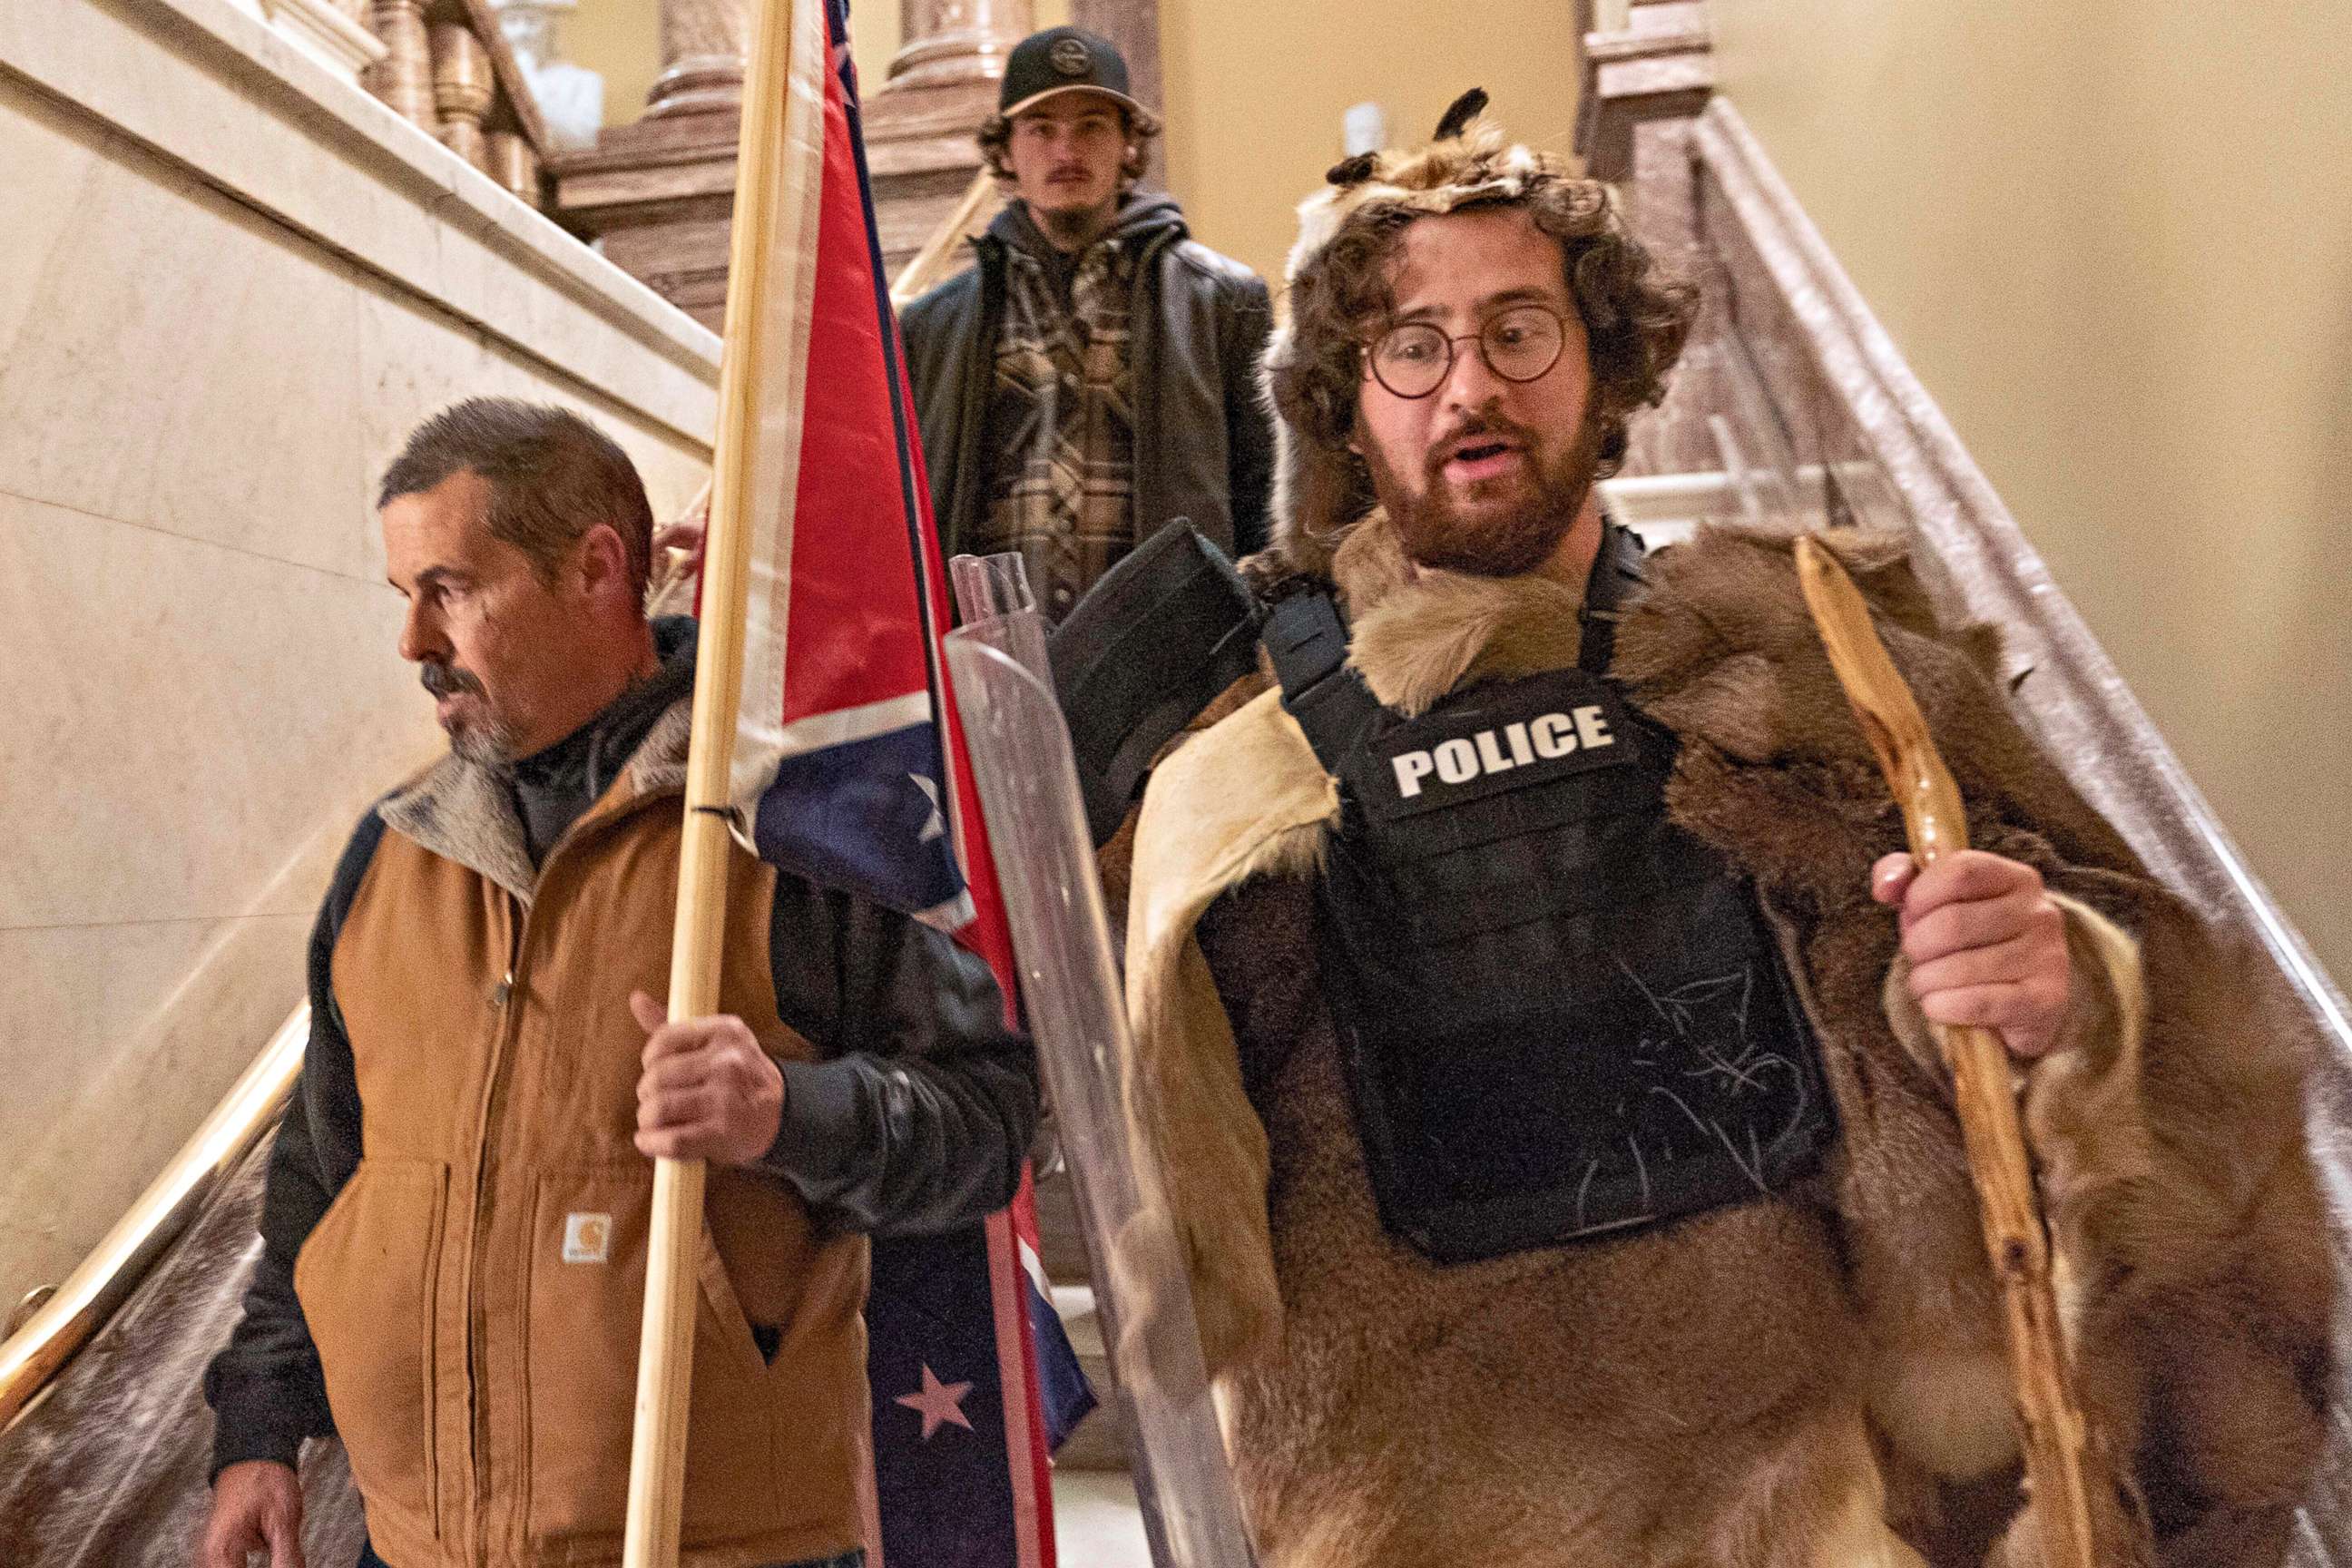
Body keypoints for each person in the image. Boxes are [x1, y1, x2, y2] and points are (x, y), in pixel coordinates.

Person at [1114, 94, 2328, 1565]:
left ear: (1603, 360)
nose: (1467, 389)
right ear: (1348, 403)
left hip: (1844, 1509)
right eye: (1410, 346)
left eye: (1519, 328)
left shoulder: (1838, 681)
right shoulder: (1234, 792)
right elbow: (1174, 1236)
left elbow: (2185, 1038)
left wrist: (2066, 986)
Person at [198, 398, 1037, 1568]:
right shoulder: (390, 859)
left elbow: (991, 1126)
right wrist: (260, 1428)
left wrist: (788, 1113)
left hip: (719, 1547)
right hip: (417, 1543)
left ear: (597, 569)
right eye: (405, 597)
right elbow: (324, 1175)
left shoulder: (797, 830)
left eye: (453, 588)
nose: (415, 645)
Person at [898, 25, 1275, 622]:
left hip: (1170, 667)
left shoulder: (1225, 302)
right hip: (989, 665)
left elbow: (1267, 499)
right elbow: (888, 510)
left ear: (1129, 142)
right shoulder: (930, 328)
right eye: (1041, 129)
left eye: (1092, 126)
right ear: (1005, 151)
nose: (1066, 151)